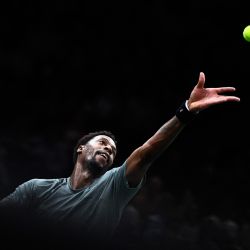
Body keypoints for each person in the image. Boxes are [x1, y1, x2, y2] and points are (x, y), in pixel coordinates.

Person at [0, 72, 240, 249]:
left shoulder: (113, 186)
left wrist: (186, 111)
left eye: (113, 150)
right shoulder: (36, 188)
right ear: (81, 149)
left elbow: (146, 151)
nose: (109, 149)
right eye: (103, 142)